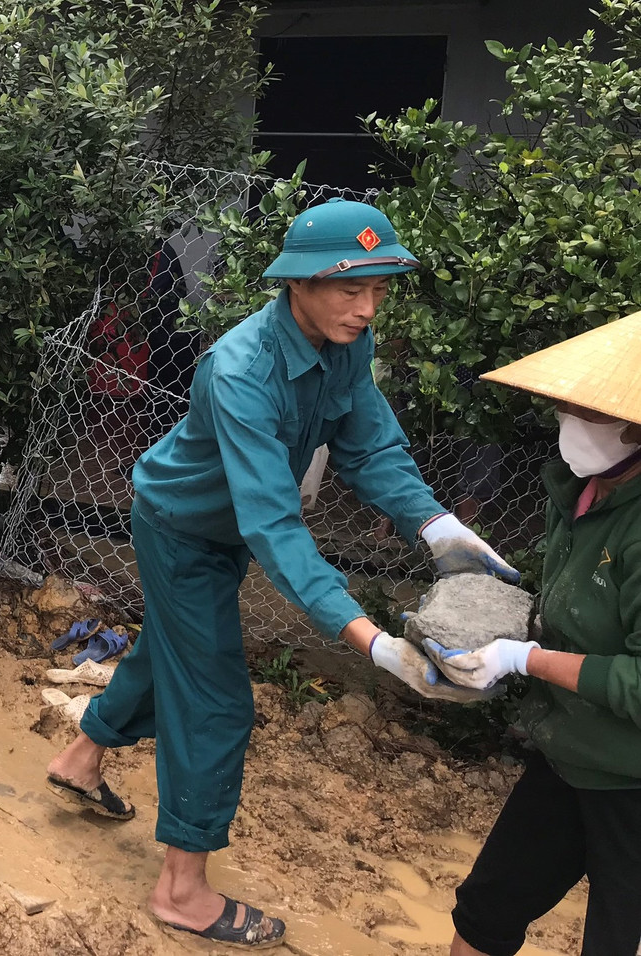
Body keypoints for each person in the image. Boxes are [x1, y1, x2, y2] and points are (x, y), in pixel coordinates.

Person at [43, 199, 520, 948]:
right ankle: (181, 890)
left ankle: (81, 757)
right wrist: (371, 642)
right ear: (298, 282)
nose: (367, 308)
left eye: (379, 289)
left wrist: (438, 527)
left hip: (227, 529)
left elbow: (370, 446)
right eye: (350, 288)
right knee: (216, 702)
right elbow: (273, 523)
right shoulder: (240, 370)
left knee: (172, 649)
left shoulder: (346, 342)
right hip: (181, 531)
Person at [420, 312, 641, 956]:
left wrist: (525, 658)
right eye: (568, 406)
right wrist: (492, 619)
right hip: (568, 751)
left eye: (593, 412)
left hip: (632, 780)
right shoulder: (578, 492)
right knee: (485, 911)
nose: (572, 421)